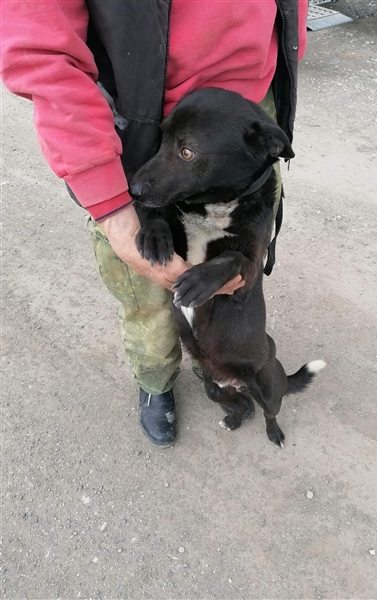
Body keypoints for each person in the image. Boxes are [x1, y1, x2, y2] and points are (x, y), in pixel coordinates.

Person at [1, 0, 308, 447]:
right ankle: (155, 378)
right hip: (143, 105)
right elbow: (40, 49)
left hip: (251, 106)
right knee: (145, 286)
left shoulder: (253, 140)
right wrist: (112, 208)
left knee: (236, 270)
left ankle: (212, 359)